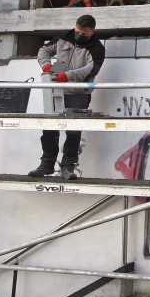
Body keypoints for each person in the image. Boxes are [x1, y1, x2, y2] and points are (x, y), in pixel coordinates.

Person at [28, 15, 105, 180]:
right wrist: (46, 65)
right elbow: (44, 50)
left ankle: (68, 166)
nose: (79, 35)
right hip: (56, 90)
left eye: (84, 33)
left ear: (92, 32)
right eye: (77, 31)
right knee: (50, 128)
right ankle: (46, 164)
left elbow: (91, 70)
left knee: (73, 131)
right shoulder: (64, 37)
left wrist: (67, 76)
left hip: (78, 93)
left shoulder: (97, 48)